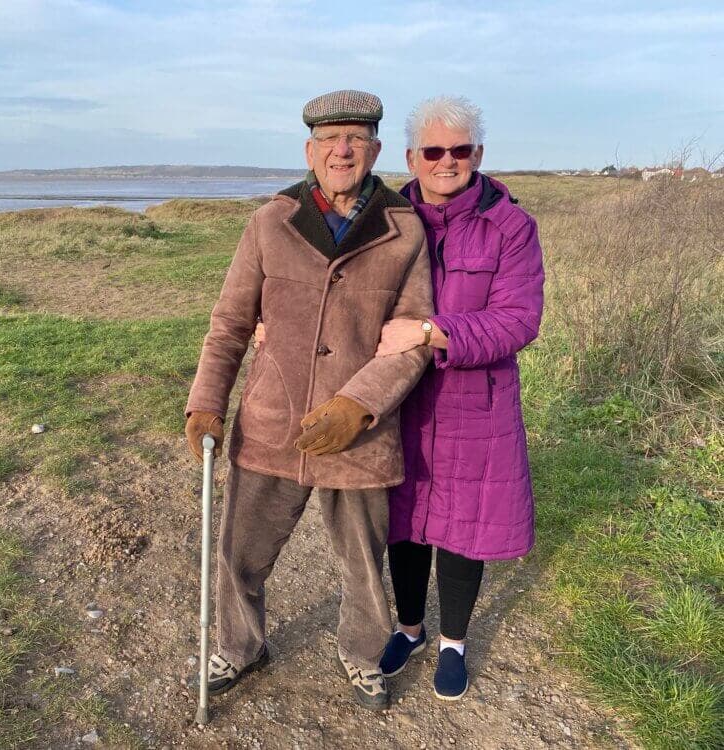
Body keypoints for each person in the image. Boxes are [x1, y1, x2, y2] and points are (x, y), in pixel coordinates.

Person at [185, 89, 434, 711]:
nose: (341, 150)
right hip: (272, 420)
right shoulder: (270, 222)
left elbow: (412, 340)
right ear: (310, 150)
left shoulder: (405, 231)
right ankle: (241, 647)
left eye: (354, 139)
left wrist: (359, 405)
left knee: (362, 564)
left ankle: (362, 654)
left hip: (361, 431)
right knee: (241, 554)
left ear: (375, 150)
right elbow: (229, 323)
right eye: (329, 141)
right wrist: (205, 403)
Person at [375, 96, 545, 701]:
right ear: (411, 158)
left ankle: (453, 642)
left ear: (478, 154)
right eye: (434, 150)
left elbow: (518, 320)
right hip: (406, 398)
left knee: (464, 527)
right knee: (407, 520)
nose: (447, 161)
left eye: (460, 150)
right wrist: (274, 324)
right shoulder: (389, 221)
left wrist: (432, 332)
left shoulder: (511, 227)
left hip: (478, 401)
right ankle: (409, 627)